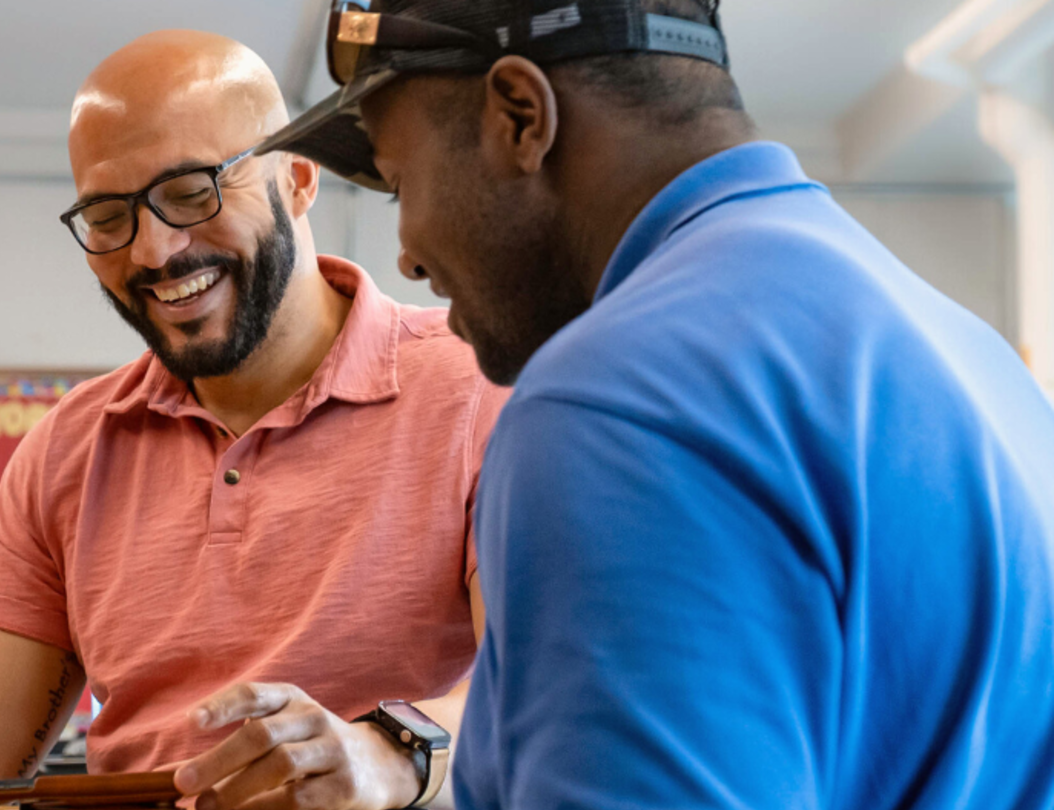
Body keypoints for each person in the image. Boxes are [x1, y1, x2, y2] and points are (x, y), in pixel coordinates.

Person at [0, 30, 506, 810]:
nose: (152, 251)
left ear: (297, 178)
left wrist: (391, 755)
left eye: (190, 190)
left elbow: (559, 690)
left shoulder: (479, 391)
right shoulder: (71, 450)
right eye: (108, 217)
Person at [261, 0, 1054, 807]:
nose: (408, 253)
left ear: (520, 117)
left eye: (400, 184)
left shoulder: (617, 400)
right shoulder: (965, 351)